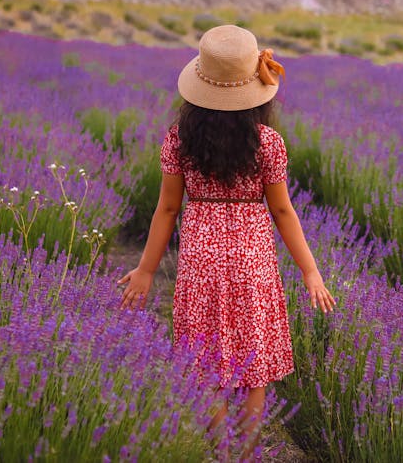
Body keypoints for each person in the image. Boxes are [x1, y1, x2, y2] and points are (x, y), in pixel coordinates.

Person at [117, 25, 335, 458]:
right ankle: (248, 453)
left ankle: (222, 453)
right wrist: (310, 271)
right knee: (252, 367)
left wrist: (145, 270)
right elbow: (283, 211)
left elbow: (165, 209)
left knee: (204, 363)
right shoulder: (267, 143)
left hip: (200, 262)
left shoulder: (179, 139)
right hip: (252, 264)